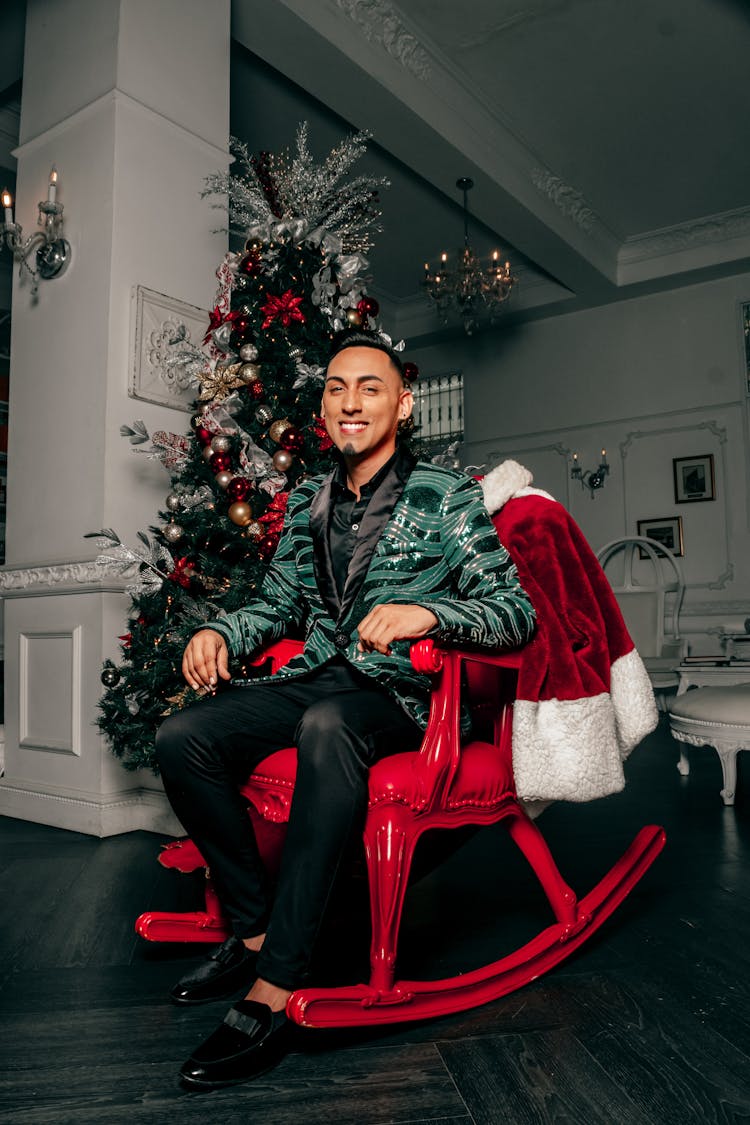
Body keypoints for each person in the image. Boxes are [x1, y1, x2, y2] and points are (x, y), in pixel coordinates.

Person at [155, 327, 536, 1089]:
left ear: (401, 404)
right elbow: (276, 604)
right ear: (323, 406)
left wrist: (430, 616)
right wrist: (219, 629)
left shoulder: (446, 494)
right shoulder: (307, 501)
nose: (350, 400)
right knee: (183, 736)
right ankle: (257, 929)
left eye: (369, 386)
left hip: (406, 696)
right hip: (324, 676)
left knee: (325, 726)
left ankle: (279, 980)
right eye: (336, 387)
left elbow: (515, 612)